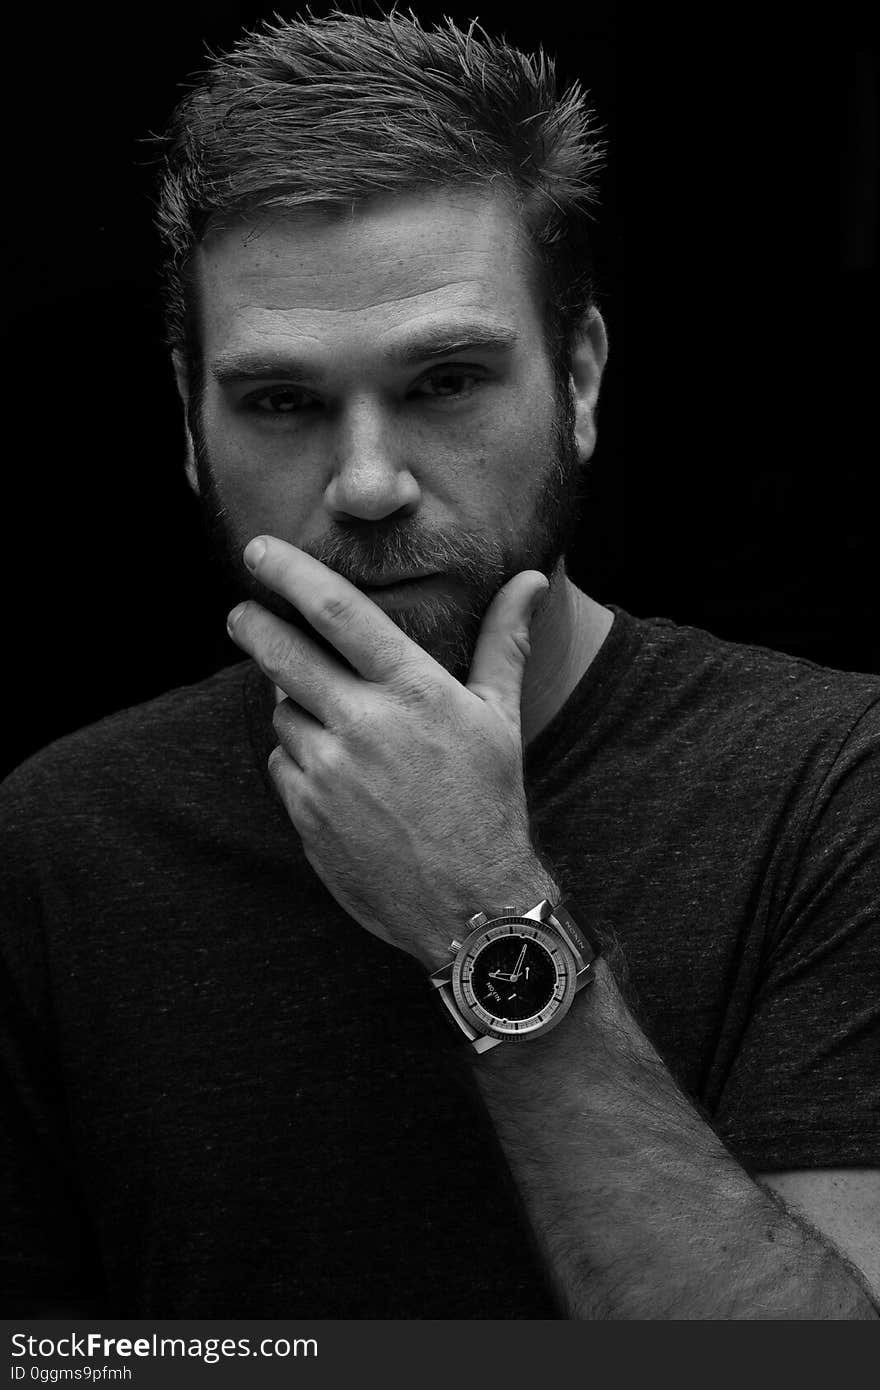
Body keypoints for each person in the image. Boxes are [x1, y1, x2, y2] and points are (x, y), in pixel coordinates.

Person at [1, 7, 878, 1320]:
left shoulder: (831, 780)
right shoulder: (59, 842)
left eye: (447, 380)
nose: (366, 481)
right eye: (283, 402)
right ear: (189, 424)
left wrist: (482, 907)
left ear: (579, 380)